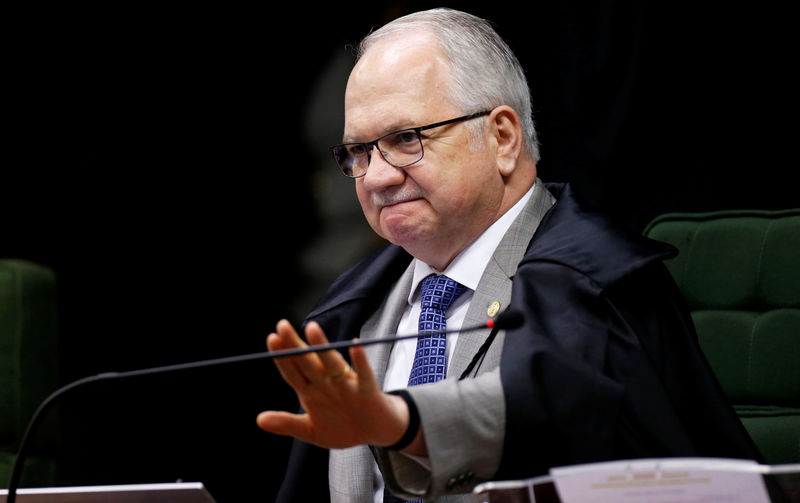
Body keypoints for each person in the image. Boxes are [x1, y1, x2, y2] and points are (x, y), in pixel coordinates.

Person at [256, 8, 761, 502]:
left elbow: (554, 404)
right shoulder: (348, 309)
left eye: (406, 139)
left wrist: (404, 422)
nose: (379, 177)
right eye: (359, 152)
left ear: (502, 137)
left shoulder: (595, 281)